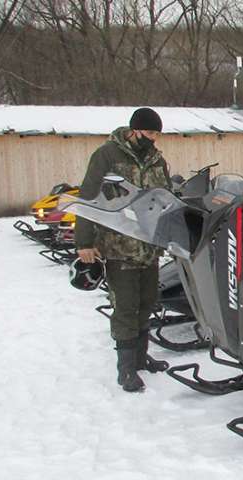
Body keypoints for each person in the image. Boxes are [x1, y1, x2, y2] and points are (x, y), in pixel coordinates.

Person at [75, 108, 172, 392]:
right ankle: (126, 368)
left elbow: (164, 199)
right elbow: (88, 197)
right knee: (126, 306)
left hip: (149, 247)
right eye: (149, 133)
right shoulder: (107, 156)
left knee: (147, 302)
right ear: (134, 130)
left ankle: (141, 358)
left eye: (157, 134)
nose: (153, 139)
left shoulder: (157, 160)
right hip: (119, 246)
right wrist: (84, 242)